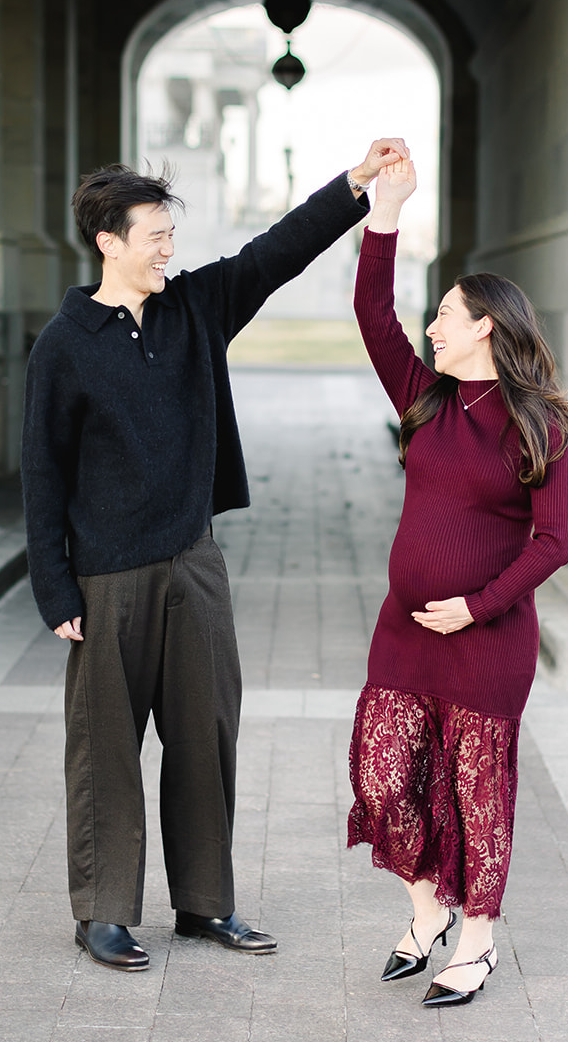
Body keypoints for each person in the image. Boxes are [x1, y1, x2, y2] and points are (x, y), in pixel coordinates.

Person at [20, 138, 408, 971]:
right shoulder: (65, 343)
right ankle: (103, 914)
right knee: (105, 753)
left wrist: (353, 185)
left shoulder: (194, 309)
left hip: (192, 565)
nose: (168, 248)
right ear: (108, 242)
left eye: (170, 233)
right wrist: (56, 591)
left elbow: (275, 251)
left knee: (206, 739)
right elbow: (42, 474)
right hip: (106, 580)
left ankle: (203, 904)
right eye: (153, 234)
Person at [348, 156, 568, 1006]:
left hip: (486, 642)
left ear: (485, 326)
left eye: (445, 315)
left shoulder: (537, 423)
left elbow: (554, 542)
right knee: (382, 777)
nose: (431, 327)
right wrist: (387, 214)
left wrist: (476, 608)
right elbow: (373, 314)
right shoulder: (424, 399)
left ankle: (473, 940)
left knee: (476, 791)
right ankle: (424, 909)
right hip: (404, 631)